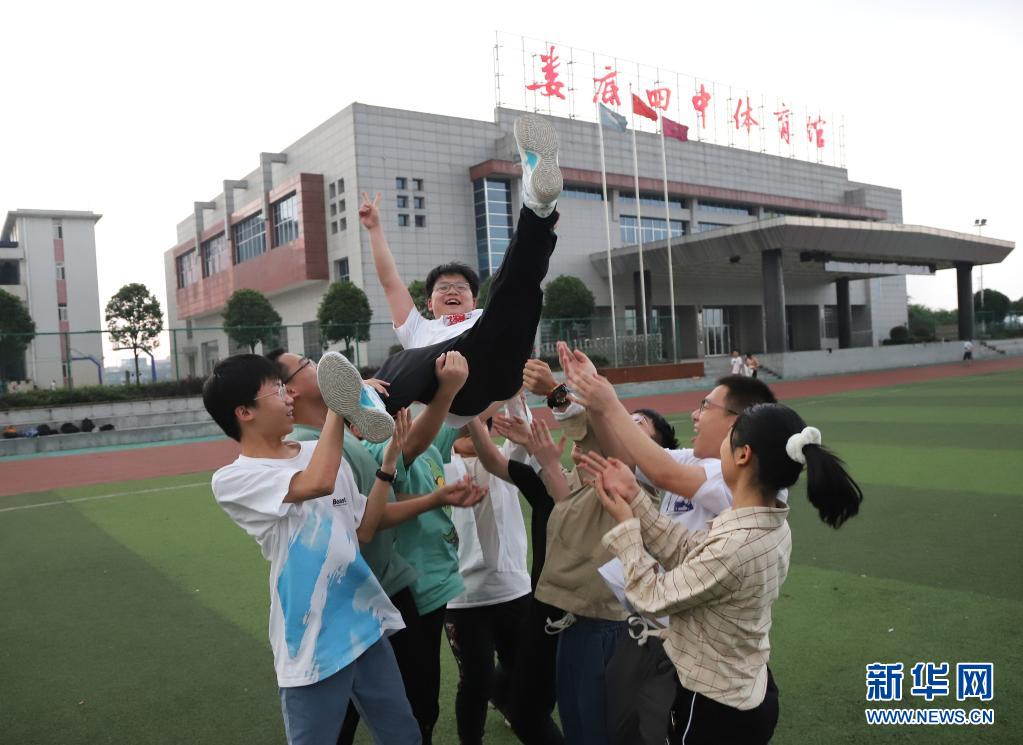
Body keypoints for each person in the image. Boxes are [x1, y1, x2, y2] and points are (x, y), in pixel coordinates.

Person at [580, 403, 862, 745]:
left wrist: (627, 526)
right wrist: (635, 497)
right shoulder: (764, 520)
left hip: (715, 710)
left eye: (728, 438)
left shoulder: (738, 544)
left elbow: (652, 597)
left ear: (743, 455)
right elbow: (689, 550)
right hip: (742, 692)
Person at [265, 350, 486, 745]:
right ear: (290, 390)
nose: (319, 365)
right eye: (307, 364)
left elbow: (371, 510)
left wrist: (431, 495)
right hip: (355, 597)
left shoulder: (337, 438)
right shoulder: (306, 449)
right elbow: (365, 522)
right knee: (356, 716)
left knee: (407, 708)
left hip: (385, 588)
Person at [202, 353, 420, 745]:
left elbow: (364, 528)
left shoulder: (317, 452)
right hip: (311, 638)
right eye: (277, 391)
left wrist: (387, 466)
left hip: (363, 621)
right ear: (244, 412)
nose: (288, 397)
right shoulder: (234, 479)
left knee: (403, 735)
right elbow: (317, 483)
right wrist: (341, 403)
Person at [335, 113, 562, 428]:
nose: (452, 290)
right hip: (457, 393)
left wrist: (534, 240)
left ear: (473, 300)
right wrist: (374, 229)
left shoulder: (484, 316)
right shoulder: (418, 329)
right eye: (443, 288)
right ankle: (373, 407)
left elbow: (516, 283)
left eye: (461, 287)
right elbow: (390, 282)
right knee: (408, 358)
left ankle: (538, 207)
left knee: (512, 290)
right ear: (429, 303)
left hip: (499, 370)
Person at [443, 399, 533, 745]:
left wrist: (513, 393)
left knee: (521, 668)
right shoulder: (439, 465)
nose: (473, 428)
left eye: (480, 424)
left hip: (512, 589)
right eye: (465, 424)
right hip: (462, 596)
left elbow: (522, 428)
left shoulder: (504, 463)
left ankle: (508, 701)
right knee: (474, 681)